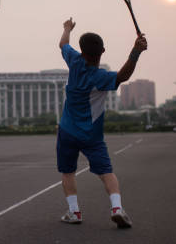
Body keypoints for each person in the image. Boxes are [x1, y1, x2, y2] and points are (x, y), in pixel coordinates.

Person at [57, 17, 147, 228]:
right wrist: (136, 52)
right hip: (92, 135)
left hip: (67, 131)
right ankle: (117, 208)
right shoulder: (101, 77)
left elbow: (63, 44)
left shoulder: (74, 62)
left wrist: (67, 28)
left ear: (81, 51)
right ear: (103, 51)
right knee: (106, 171)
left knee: (68, 172)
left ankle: (74, 212)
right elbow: (123, 76)